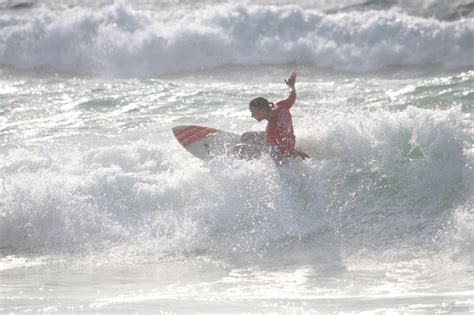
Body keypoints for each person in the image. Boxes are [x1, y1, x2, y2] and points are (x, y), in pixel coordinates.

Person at [248, 71, 309, 164]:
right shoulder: (280, 106)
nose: (252, 116)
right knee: (250, 137)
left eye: (253, 112)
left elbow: (279, 155)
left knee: (247, 145)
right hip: (286, 144)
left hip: (284, 152)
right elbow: (292, 97)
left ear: (263, 110)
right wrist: (291, 86)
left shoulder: (272, 131)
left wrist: (297, 153)